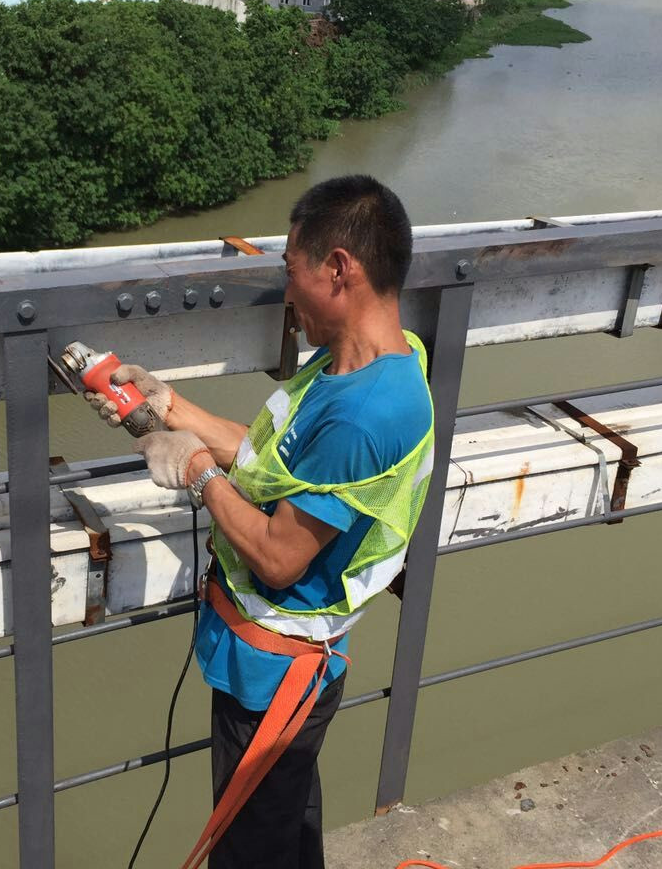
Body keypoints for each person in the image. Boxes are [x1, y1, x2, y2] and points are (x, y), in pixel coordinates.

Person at [87, 175, 435, 869]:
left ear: (338, 268)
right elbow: (276, 462)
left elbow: (279, 558)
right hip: (281, 672)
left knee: (251, 851)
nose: (287, 291)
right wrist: (170, 407)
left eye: (291, 269)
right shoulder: (355, 367)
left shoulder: (365, 414)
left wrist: (196, 473)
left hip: (276, 677)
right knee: (287, 829)